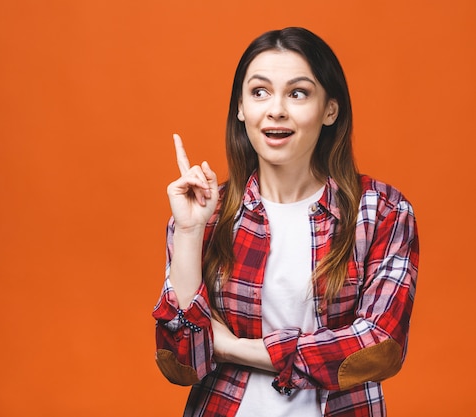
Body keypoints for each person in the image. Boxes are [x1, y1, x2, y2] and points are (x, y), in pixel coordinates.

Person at [152, 27, 419, 417]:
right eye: (259, 92)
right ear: (241, 109)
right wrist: (191, 232)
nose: (276, 109)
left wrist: (230, 347)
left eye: (298, 93)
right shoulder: (207, 213)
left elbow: (378, 348)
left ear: (330, 109)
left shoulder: (382, 212)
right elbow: (182, 363)